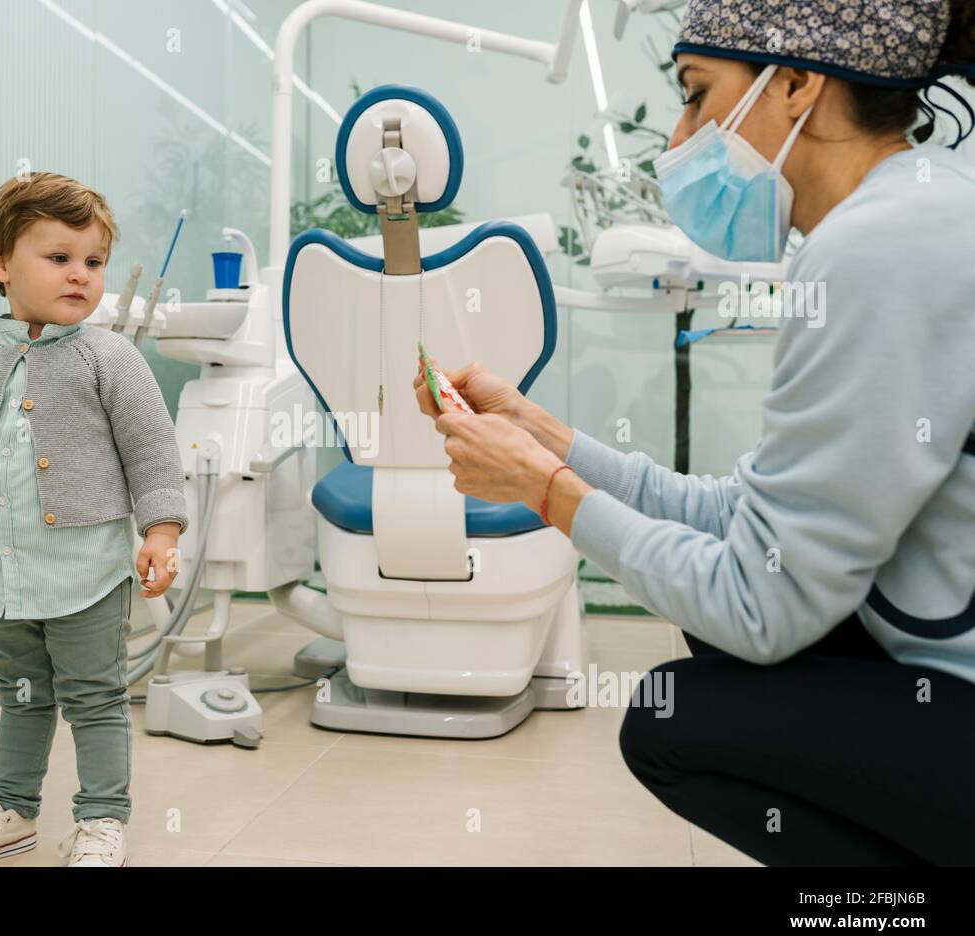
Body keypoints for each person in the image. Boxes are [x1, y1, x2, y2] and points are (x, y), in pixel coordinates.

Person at [414, 0, 975, 865]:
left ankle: (877, 919)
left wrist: (541, 491)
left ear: (797, 86)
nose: (678, 137)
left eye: (695, 93)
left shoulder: (876, 253)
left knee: (673, 718)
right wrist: (545, 437)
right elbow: (752, 519)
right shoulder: (913, 214)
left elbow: (759, 604)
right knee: (701, 628)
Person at [0, 173, 188, 867]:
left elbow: (154, 455)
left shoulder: (111, 358)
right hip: (3, 575)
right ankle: (13, 810)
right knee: (20, 696)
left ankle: (102, 820)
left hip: (88, 576)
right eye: (59, 258)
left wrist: (161, 532)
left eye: (93, 261)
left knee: (95, 698)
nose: (80, 274)